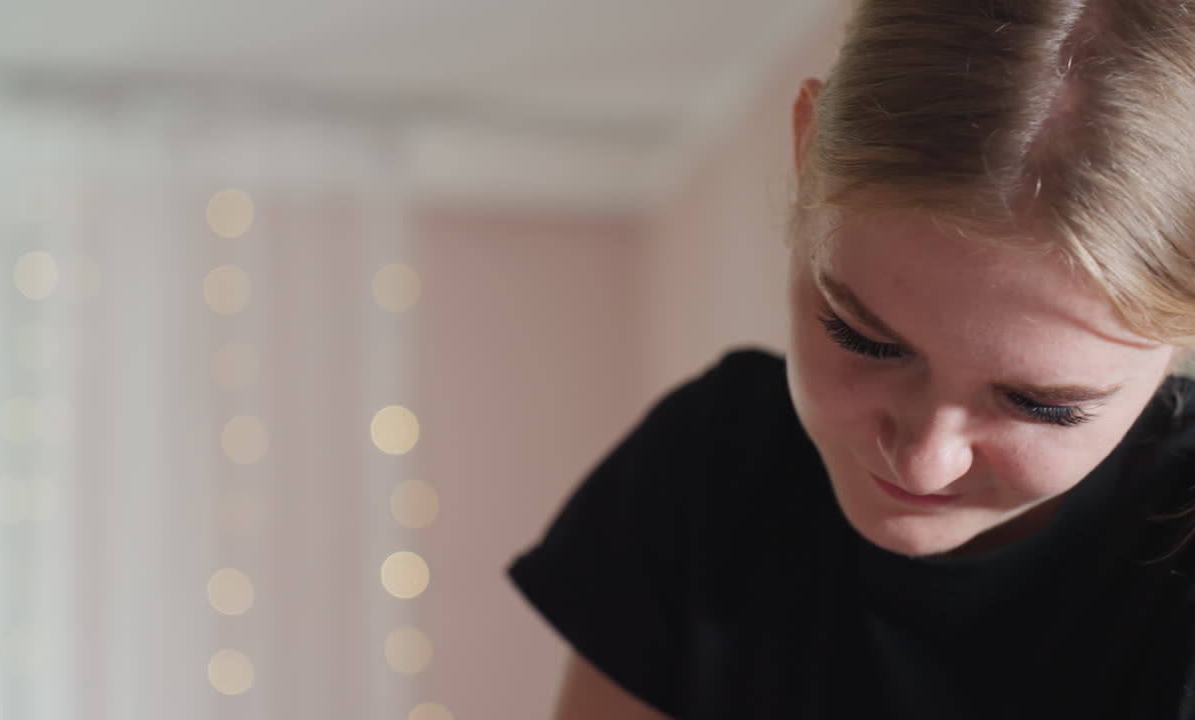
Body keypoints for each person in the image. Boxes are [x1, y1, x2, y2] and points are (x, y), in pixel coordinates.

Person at [507, 1, 1195, 718]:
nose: (923, 463)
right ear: (805, 156)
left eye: (1041, 404)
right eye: (866, 340)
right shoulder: (712, 468)